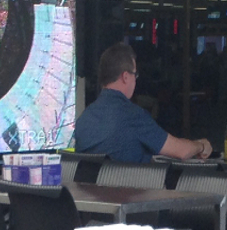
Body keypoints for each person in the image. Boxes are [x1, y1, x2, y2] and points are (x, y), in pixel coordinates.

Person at [74, 43, 212, 162]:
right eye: (135, 75)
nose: (136, 80)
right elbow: (181, 151)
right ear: (125, 77)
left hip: (91, 192)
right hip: (130, 191)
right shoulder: (132, 116)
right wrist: (201, 145)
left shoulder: (84, 119)